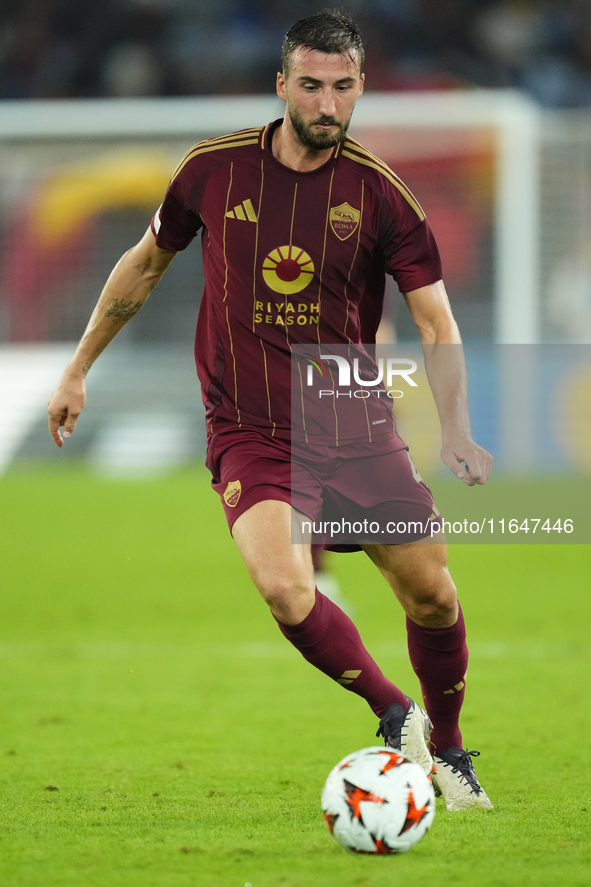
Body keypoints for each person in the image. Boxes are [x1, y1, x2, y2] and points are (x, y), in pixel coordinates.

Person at [48, 9, 493, 812]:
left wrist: (454, 424)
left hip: (348, 423)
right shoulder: (212, 171)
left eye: (343, 87)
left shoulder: (381, 193)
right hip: (248, 427)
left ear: (360, 89)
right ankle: (396, 718)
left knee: (432, 595)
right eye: (312, 86)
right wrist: (78, 366)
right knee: (286, 587)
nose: (327, 104)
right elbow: (145, 264)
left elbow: (435, 321)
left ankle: (453, 750)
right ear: (282, 84)